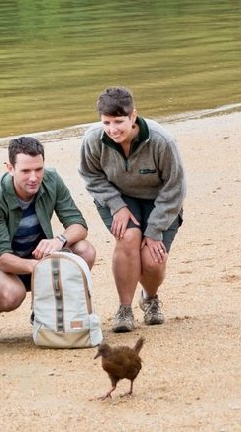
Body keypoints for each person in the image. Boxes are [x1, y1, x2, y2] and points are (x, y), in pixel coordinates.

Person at [0, 136, 95, 342]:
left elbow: (78, 224)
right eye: (25, 171)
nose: (34, 177)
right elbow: (2, 258)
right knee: (11, 296)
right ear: (10, 168)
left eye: (38, 169)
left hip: (37, 255)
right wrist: (44, 268)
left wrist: (59, 240)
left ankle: (44, 310)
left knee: (84, 250)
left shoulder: (52, 179)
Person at [78, 86, 185, 334]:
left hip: (159, 200)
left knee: (152, 259)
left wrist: (155, 229)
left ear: (133, 116)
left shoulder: (162, 141)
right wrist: (117, 206)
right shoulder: (93, 139)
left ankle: (150, 298)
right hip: (118, 197)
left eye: (119, 121)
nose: (113, 129)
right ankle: (124, 309)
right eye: (106, 122)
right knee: (128, 237)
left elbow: (175, 187)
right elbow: (90, 175)